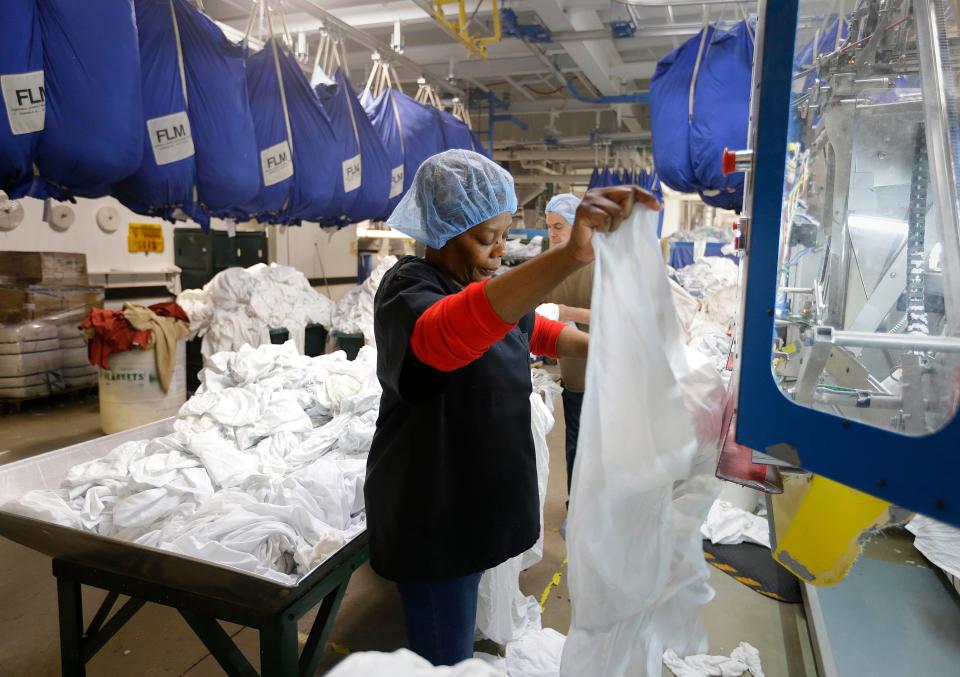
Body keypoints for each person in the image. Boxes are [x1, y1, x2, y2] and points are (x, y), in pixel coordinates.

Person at [365, 149, 659, 666]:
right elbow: (447, 336)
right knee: (444, 654)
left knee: (459, 632)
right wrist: (567, 257)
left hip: (472, 505)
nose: (500, 250)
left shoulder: (478, 284)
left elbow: (534, 329)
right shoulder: (408, 290)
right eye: (485, 238)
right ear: (440, 231)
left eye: (505, 234)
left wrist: (613, 344)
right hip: (435, 513)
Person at [541, 193, 592, 499]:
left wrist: (565, 313)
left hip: (605, 375)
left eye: (559, 225)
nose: (553, 232)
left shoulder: (599, 263)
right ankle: (577, 505)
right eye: (549, 227)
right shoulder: (551, 267)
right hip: (573, 374)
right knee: (575, 443)